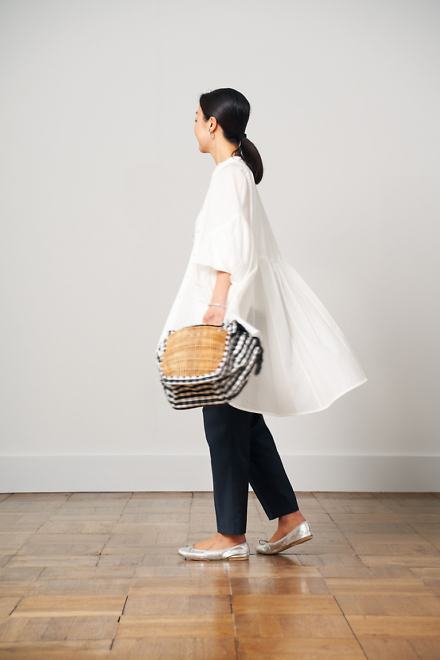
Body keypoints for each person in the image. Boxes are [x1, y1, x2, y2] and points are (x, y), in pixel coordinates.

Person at [156, 88, 367, 561]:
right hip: (244, 309)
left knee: (223, 423)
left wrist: (217, 305)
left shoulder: (228, 176)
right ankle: (289, 518)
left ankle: (230, 536)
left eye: (196, 118)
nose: (193, 126)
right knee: (245, 421)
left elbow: (230, 247)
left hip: (230, 311)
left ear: (213, 124)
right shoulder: (238, 174)